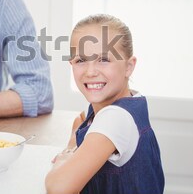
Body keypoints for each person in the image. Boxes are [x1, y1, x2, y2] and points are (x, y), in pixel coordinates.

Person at [45, 14, 164, 194]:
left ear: (129, 67)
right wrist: (73, 142)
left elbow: (59, 188)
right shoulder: (128, 102)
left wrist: (65, 158)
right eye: (81, 61)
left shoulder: (115, 118)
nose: (91, 72)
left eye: (104, 59)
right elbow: (83, 120)